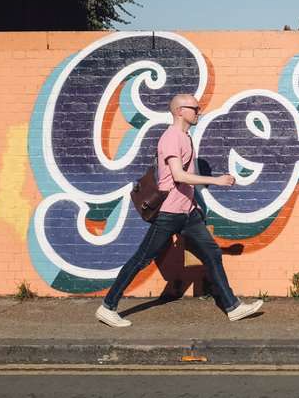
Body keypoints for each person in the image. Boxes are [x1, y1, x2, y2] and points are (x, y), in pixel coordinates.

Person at [95, 93, 264, 327]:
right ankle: (108, 306)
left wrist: (194, 205)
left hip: (187, 214)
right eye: (195, 108)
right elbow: (178, 175)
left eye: (198, 108)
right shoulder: (171, 137)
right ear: (179, 111)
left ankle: (232, 307)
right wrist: (216, 181)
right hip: (169, 213)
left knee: (212, 253)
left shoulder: (185, 137)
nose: (199, 112)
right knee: (141, 259)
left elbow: (183, 180)